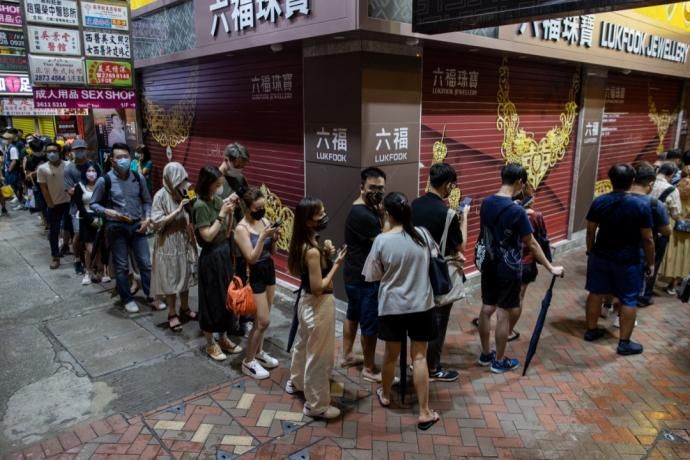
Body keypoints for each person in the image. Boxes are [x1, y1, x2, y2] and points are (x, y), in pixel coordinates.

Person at [363, 191, 440, 431]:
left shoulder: (381, 241)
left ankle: (386, 395)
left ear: (387, 214)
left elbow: (371, 275)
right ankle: (424, 411)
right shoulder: (423, 235)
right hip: (422, 305)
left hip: (392, 306)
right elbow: (435, 257)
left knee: (390, 355)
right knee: (420, 357)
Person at [477, 164, 564, 373]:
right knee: (503, 313)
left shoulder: (486, 202)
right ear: (519, 182)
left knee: (487, 308)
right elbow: (532, 243)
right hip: (508, 268)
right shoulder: (517, 211)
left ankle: (485, 354)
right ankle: (499, 361)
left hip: (489, 263)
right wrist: (550, 267)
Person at [286, 197, 346, 420]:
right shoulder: (311, 250)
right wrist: (336, 264)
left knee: (303, 345)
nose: (324, 217)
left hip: (306, 303)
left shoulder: (304, 242)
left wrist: (326, 256)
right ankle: (316, 405)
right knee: (319, 357)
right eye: (319, 214)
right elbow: (319, 287)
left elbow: (305, 273)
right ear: (308, 221)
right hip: (317, 305)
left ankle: (296, 382)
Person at [584, 164, 654, 355]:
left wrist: (590, 251)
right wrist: (650, 262)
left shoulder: (599, 201)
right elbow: (648, 238)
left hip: (601, 255)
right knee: (629, 299)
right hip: (628, 259)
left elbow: (590, 230)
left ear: (611, 180)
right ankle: (624, 343)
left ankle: (591, 330)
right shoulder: (640, 205)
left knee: (595, 292)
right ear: (632, 181)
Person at [411, 163, 468, 383]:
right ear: (448, 185)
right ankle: (433, 367)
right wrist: (464, 218)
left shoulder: (414, 205)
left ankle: (417, 360)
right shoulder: (448, 214)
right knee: (438, 321)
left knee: (419, 320)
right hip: (438, 275)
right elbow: (460, 247)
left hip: (416, 272)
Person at [90, 143, 155, 313]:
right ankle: (127, 298)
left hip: (137, 225)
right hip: (116, 227)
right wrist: (107, 211)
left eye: (126, 156)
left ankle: (151, 295)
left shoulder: (138, 177)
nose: (123, 160)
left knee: (146, 263)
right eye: (119, 157)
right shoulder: (104, 180)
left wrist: (148, 218)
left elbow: (147, 200)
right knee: (122, 266)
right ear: (112, 160)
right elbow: (93, 204)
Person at [192, 165, 243, 360]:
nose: (220, 188)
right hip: (210, 256)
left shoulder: (218, 200)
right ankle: (210, 343)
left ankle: (223, 338)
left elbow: (227, 232)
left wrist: (230, 213)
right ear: (207, 184)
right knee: (211, 299)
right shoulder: (200, 206)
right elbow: (207, 236)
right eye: (217, 184)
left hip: (224, 252)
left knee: (226, 297)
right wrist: (222, 214)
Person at [342, 167, 386, 382]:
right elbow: (384, 243)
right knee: (369, 324)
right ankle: (369, 368)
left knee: (353, 314)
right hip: (364, 279)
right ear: (362, 187)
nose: (377, 192)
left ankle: (347, 355)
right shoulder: (363, 215)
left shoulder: (364, 209)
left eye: (381, 188)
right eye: (372, 187)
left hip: (354, 273)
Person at [234, 188, 281, 379]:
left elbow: (273, 252)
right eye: (257, 208)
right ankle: (248, 362)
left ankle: (258, 352)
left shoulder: (265, 222)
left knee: (263, 317)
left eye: (263, 207)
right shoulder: (241, 229)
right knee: (263, 320)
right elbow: (251, 258)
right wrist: (262, 237)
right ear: (247, 208)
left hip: (268, 268)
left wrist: (274, 238)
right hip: (254, 273)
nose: (261, 211)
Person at [150, 162, 198, 332]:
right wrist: (177, 210)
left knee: (185, 275)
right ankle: (172, 313)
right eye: (179, 180)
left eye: (184, 179)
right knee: (170, 278)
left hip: (184, 239)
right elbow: (156, 221)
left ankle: (185, 307)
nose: (182, 183)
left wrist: (192, 201)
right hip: (168, 242)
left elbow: (195, 209)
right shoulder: (160, 196)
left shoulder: (186, 190)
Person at [218, 142, 252, 335]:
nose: (240, 169)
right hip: (222, 237)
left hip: (239, 236)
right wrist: (225, 204)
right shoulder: (214, 179)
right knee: (226, 279)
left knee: (241, 275)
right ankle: (227, 318)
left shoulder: (240, 178)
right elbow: (206, 207)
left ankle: (242, 313)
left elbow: (248, 201)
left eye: (243, 166)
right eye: (238, 165)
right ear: (227, 160)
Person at [635, 163, 672, 308]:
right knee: (629, 294)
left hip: (612, 250)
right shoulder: (654, 204)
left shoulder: (613, 198)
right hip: (638, 253)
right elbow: (651, 238)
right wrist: (651, 262)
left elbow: (593, 228)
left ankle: (608, 306)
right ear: (650, 184)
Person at [37, 143, 72, 269]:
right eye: (49, 151)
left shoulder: (68, 165)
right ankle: (55, 256)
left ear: (60, 152)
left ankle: (70, 249)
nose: (51, 154)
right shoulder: (42, 169)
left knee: (71, 228)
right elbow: (44, 188)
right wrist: (50, 203)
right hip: (54, 204)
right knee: (54, 231)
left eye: (54, 151)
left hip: (69, 202)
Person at [658, 173, 690, 295]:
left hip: (674, 223)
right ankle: (673, 284)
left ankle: (660, 280)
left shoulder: (678, 187)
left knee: (670, 254)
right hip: (687, 229)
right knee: (683, 257)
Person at [64, 139, 90, 275]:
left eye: (82, 149)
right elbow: (70, 191)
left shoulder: (93, 165)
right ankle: (77, 259)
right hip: (77, 208)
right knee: (78, 234)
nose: (80, 152)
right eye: (77, 150)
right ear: (72, 152)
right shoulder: (69, 168)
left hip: (92, 206)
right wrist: (83, 190)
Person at [73, 161, 102, 285]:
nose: (91, 173)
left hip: (99, 217)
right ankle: (88, 271)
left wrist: (100, 218)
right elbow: (80, 206)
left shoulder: (101, 184)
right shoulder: (80, 186)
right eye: (89, 171)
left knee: (99, 247)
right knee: (89, 249)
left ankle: (99, 271)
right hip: (85, 219)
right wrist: (91, 220)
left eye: (93, 170)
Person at [2, 129, 23, 210]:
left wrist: (9, 170)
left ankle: (22, 203)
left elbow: (14, 161)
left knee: (16, 189)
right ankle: (20, 202)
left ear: (10, 139)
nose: (3, 140)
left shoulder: (13, 148)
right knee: (13, 189)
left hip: (12, 172)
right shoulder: (8, 147)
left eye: (5, 139)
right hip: (9, 171)